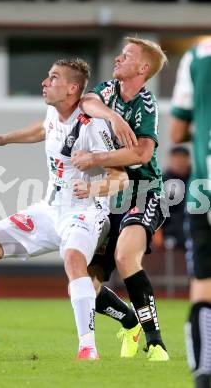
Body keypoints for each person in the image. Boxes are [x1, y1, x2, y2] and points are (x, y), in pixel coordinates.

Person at [0, 58, 137, 360]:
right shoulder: (53, 111)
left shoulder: (95, 126)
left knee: (74, 260)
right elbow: (44, 129)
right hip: (49, 209)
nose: (44, 83)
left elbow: (120, 179)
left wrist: (91, 187)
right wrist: (4, 140)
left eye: (53, 78)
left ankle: (87, 347)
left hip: (86, 211)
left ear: (72, 88)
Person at [72, 36, 170, 361]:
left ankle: (155, 343)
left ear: (142, 68)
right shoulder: (110, 90)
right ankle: (130, 321)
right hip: (112, 194)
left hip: (144, 190)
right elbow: (86, 101)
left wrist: (96, 157)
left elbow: (142, 153)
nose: (117, 58)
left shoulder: (147, 104)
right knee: (86, 283)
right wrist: (112, 117)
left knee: (127, 257)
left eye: (126, 55)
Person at [170, 37, 211, 388]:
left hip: (205, 189)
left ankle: (204, 371)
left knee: (203, 286)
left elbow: (177, 130)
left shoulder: (197, 54)